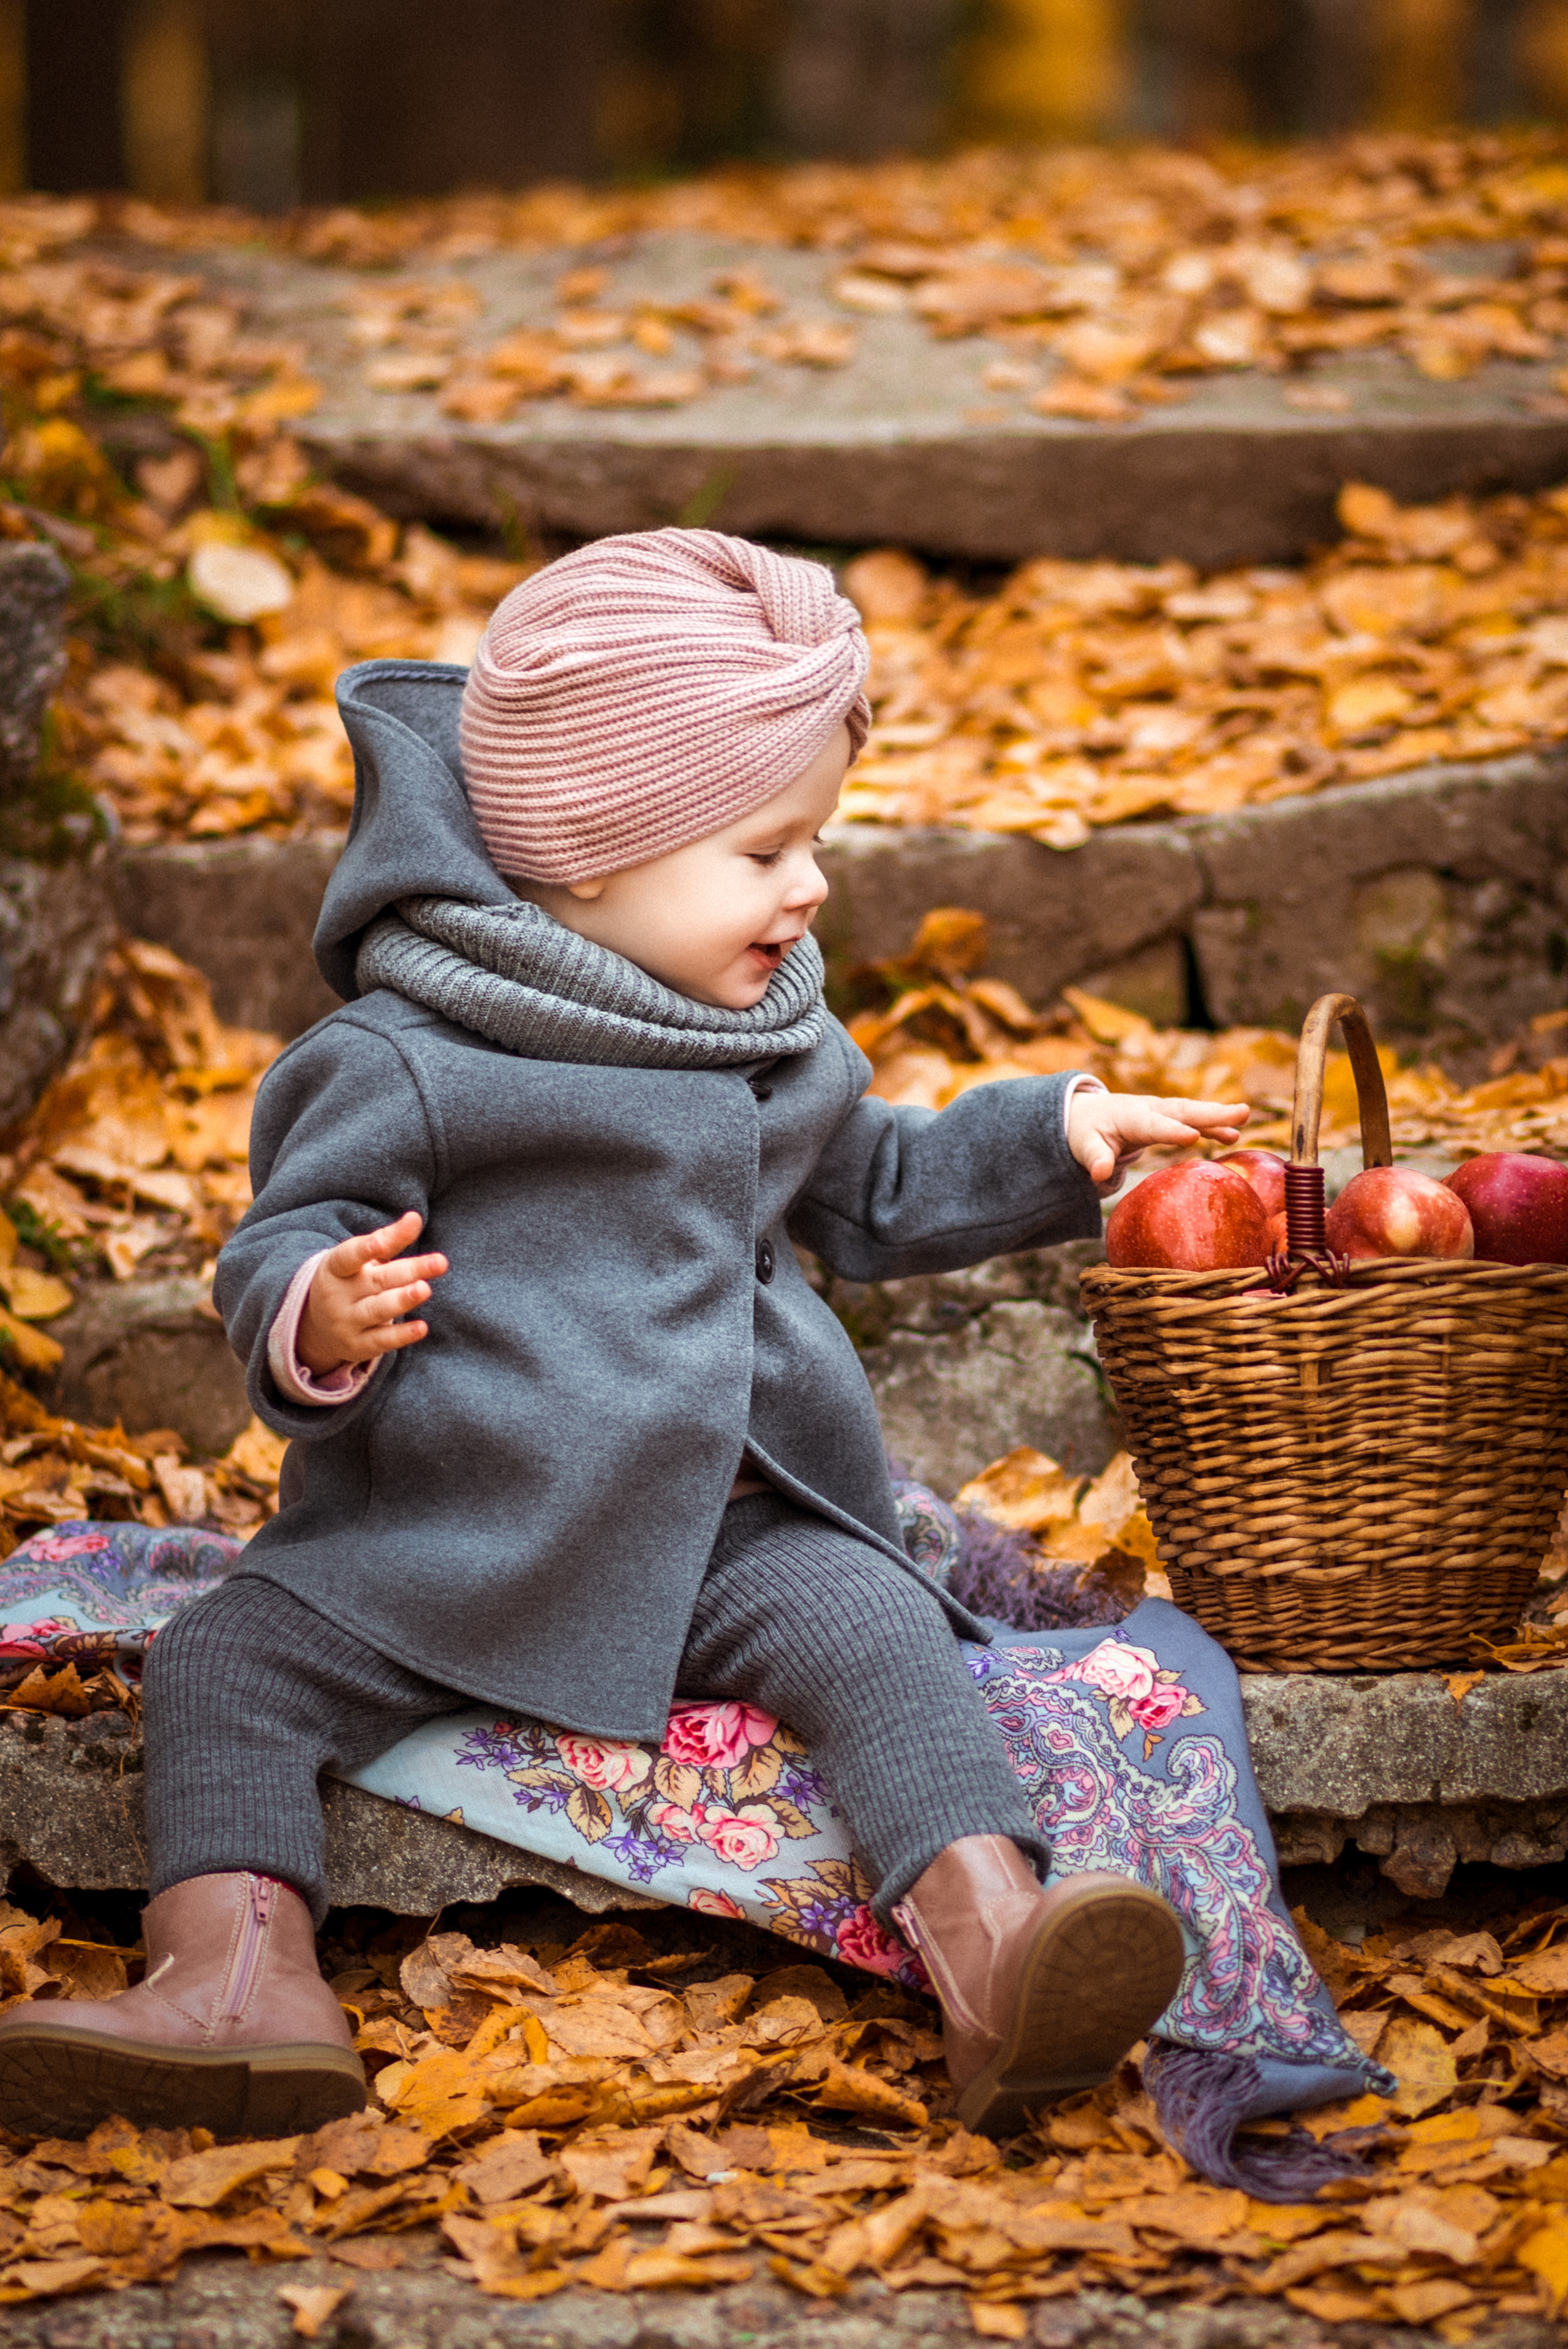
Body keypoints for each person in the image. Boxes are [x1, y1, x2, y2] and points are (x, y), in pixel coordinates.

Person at [0, 531, 1248, 2144]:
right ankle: (233, 1977)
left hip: (727, 1531)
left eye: (816, 838)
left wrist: (1053, 1135)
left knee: (880, 1629)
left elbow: (873, 1185)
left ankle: (998, 1948)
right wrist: (318, 1309)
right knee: (228, 1661)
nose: (810, 883)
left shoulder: (769, 1029)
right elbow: (287, 1235)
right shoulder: (409, 1053)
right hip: (451, 1534)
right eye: (763, 847)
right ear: (592, 853)